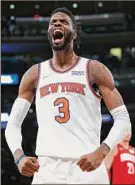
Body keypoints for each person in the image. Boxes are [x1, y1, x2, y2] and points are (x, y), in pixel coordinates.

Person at [5, 7, 131, 184]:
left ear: (74, 33)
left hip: (88, 166)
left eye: (64, 22)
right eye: (53, 22)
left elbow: (123, 118)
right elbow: (13, 123)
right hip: (48, 170)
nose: (57, 23)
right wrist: (19, 156)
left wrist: (102, 151)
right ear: (49, 33)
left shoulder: (93, 69)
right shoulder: (34, 74)